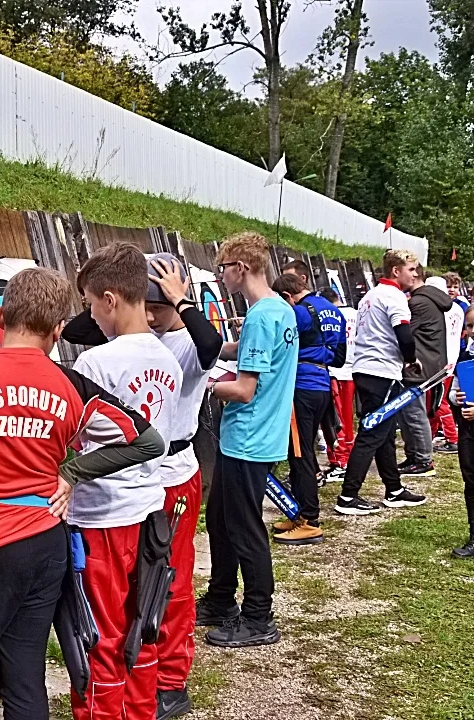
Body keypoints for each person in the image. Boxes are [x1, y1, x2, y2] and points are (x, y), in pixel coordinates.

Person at [0, 267, 166, 720]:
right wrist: (73, 471)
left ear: (0, 316)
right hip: (45, 546)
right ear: (59, 330)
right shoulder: (72, 385)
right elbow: (148, 442)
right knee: (24, 678)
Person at [61, 252, 223, 720]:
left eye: (94, 303)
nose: (89, 314)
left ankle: (109, 707)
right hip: (148, 498)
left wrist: (178, 300)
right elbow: (88, 325)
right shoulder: (162, 356)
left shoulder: (101, 360)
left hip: (108, 506)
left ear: (111, 300)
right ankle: (141, 704)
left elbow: (76, 434)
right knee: (142, 612)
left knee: (101, 626)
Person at [195, 232, 298, 648]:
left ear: (241, 268)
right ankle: (221, 599)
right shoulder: (279, 310)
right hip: (256, 435)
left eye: (223, 269)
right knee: (219, 521)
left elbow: (244, 390)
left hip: (248, 437)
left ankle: (258, 615)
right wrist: (217, 348)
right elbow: (252, 352)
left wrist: (205, 386)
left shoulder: (259, 315)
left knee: (244, 528)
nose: (221, 277)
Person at [335, 249, 428, 516]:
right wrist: (411, 359)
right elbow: (405, 336)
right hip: (382, 372)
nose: (415, 274)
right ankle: (348, 496)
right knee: (372, 432)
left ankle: (394, 489)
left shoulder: (371, 295)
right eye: (411, 269)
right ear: (396, 270)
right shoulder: (395, 296)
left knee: (385, 433)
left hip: (366, 369)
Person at [270, 273, 346, 545]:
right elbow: (339, 358)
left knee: (300, 453)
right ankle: (299, 513)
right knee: (301, 449)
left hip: (302, 386)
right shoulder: (334, 311)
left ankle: (310, 521)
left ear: (287, 297)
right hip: (322, 384)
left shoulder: (300, 312)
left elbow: (279, 344)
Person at [397, 267, 452, 478]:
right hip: (431, 360)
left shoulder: (418, 302)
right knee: (409, 412)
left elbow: (405, 333)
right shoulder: (431, 299)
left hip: (419, 363)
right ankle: (415, 456)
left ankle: (422, 459)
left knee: (413, 413)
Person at [321, 287, 358, 481]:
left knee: (334, 419)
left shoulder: (327, 315)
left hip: (335, 372)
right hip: (353, 370)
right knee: (347, 418)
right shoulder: (355, 313)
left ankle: (339, 461)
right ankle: (348, 456)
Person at [448, 304, 474, 559]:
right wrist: (457, 397)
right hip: (468, 427)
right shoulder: (465, 357)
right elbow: (453, 393)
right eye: (470, 326)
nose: (473, 331)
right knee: (470, 479)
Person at [427, 275, 462, 454]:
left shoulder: (441, 309)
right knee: (434, 402)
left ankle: (452, 437)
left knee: (439, 402)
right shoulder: (457, 309)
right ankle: (430, 436)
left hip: (439, 360)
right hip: (450, 358)